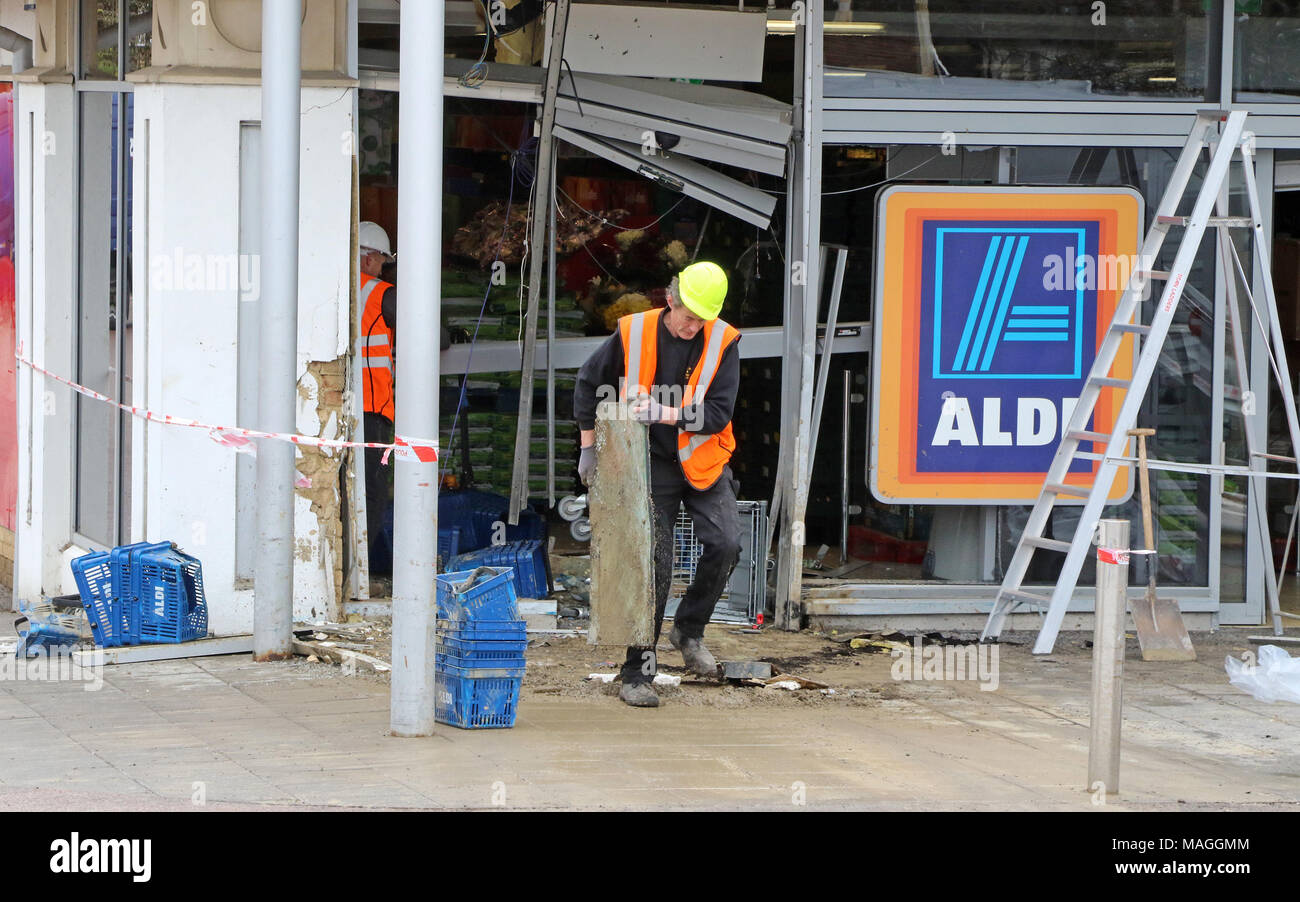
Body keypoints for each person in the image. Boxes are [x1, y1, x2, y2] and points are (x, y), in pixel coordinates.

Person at [574, 261, 743, 708]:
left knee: (726, 543)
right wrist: (588, 447)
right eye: (688, 318)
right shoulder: (633, 332)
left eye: (701, 320)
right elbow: (589, 383)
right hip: (650, 464)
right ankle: (638, 672)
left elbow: (719, 414)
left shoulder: (723, 341)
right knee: (655, 562)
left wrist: (665, 413)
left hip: (702, 460)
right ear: (670, 300)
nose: (693, 328)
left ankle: (688, 631)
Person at [357, 221, 450, 574]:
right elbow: (434, 337)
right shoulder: (381, 293)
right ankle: (363, 572)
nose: (383, 268)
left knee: (352, 492)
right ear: (368, 259)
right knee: (374, 493)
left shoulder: (332, 287)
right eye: (382, 260)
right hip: (373, 409)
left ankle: (362, 567)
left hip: (345, 409)